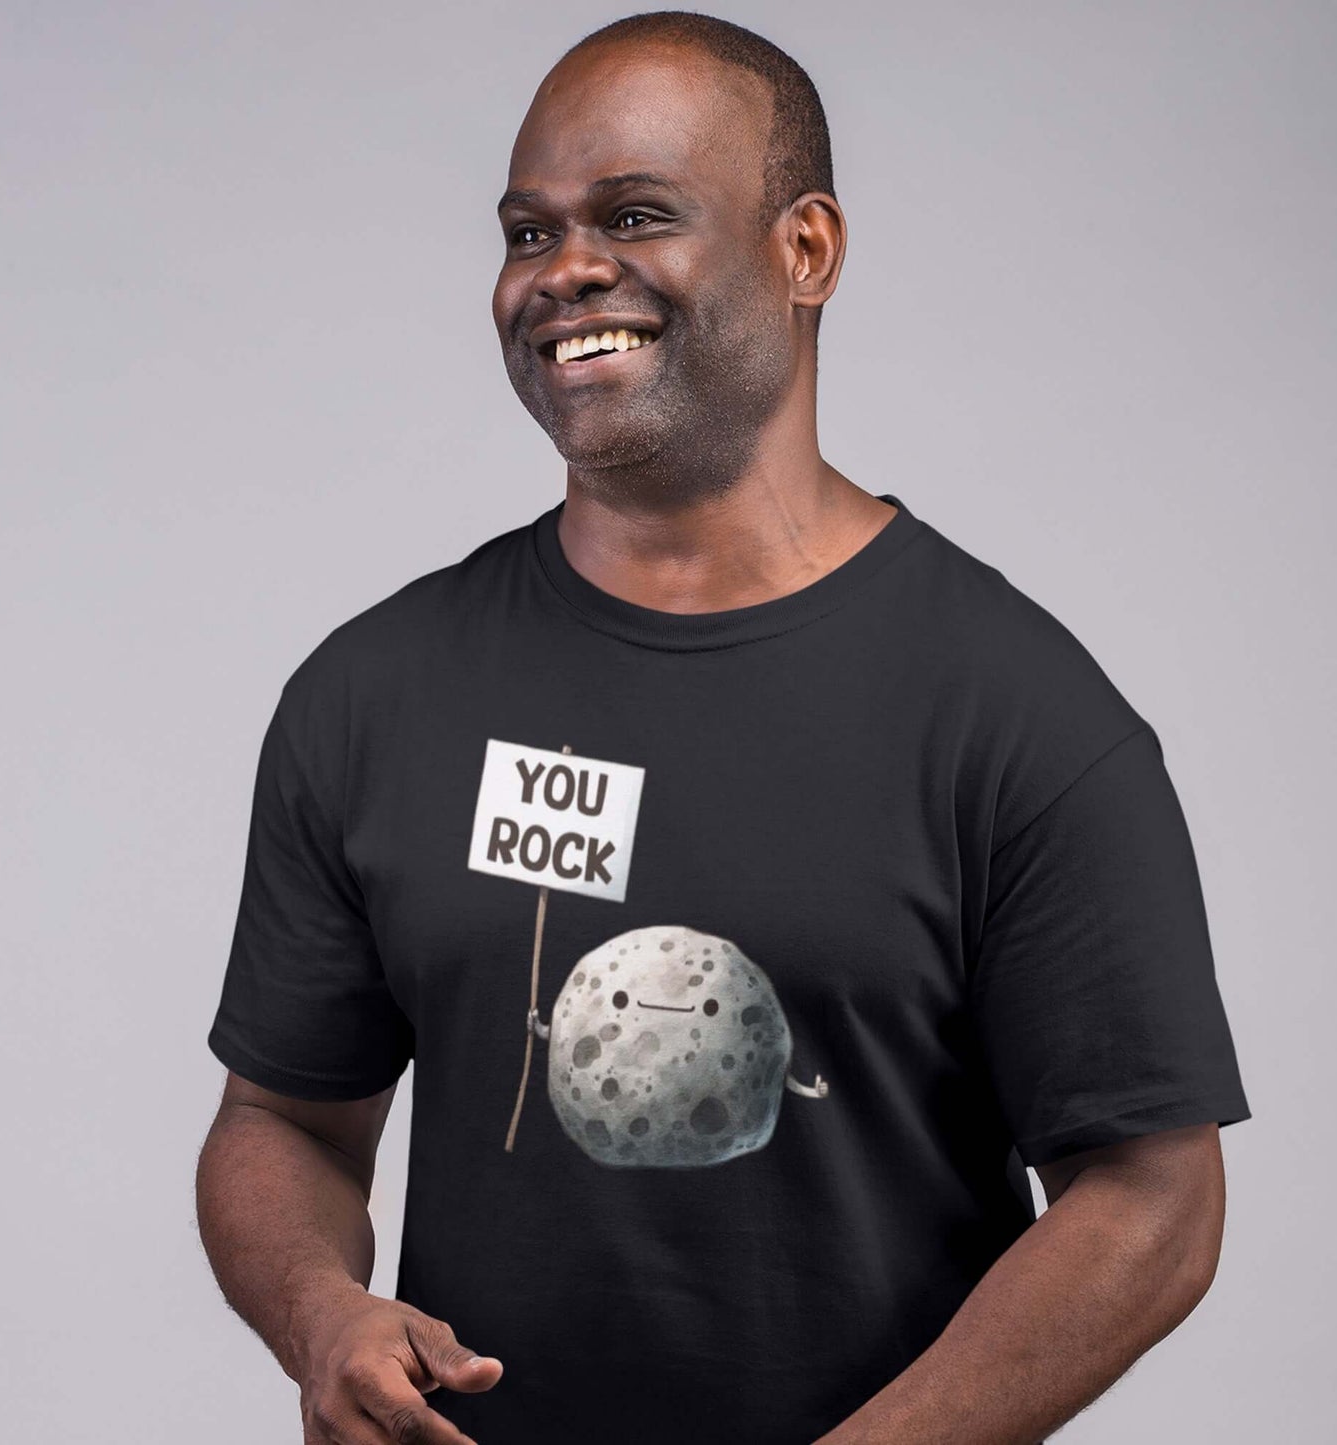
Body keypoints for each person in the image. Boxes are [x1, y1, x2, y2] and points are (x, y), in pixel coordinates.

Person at [196, 12, 1252, 1445]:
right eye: (527, 231)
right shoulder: (376, 690)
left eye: (635, 214)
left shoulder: (1013, 714)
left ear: (803, 249)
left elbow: (1155, 1197)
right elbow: (284, 1121)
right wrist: (321, 1312)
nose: (565, 271)